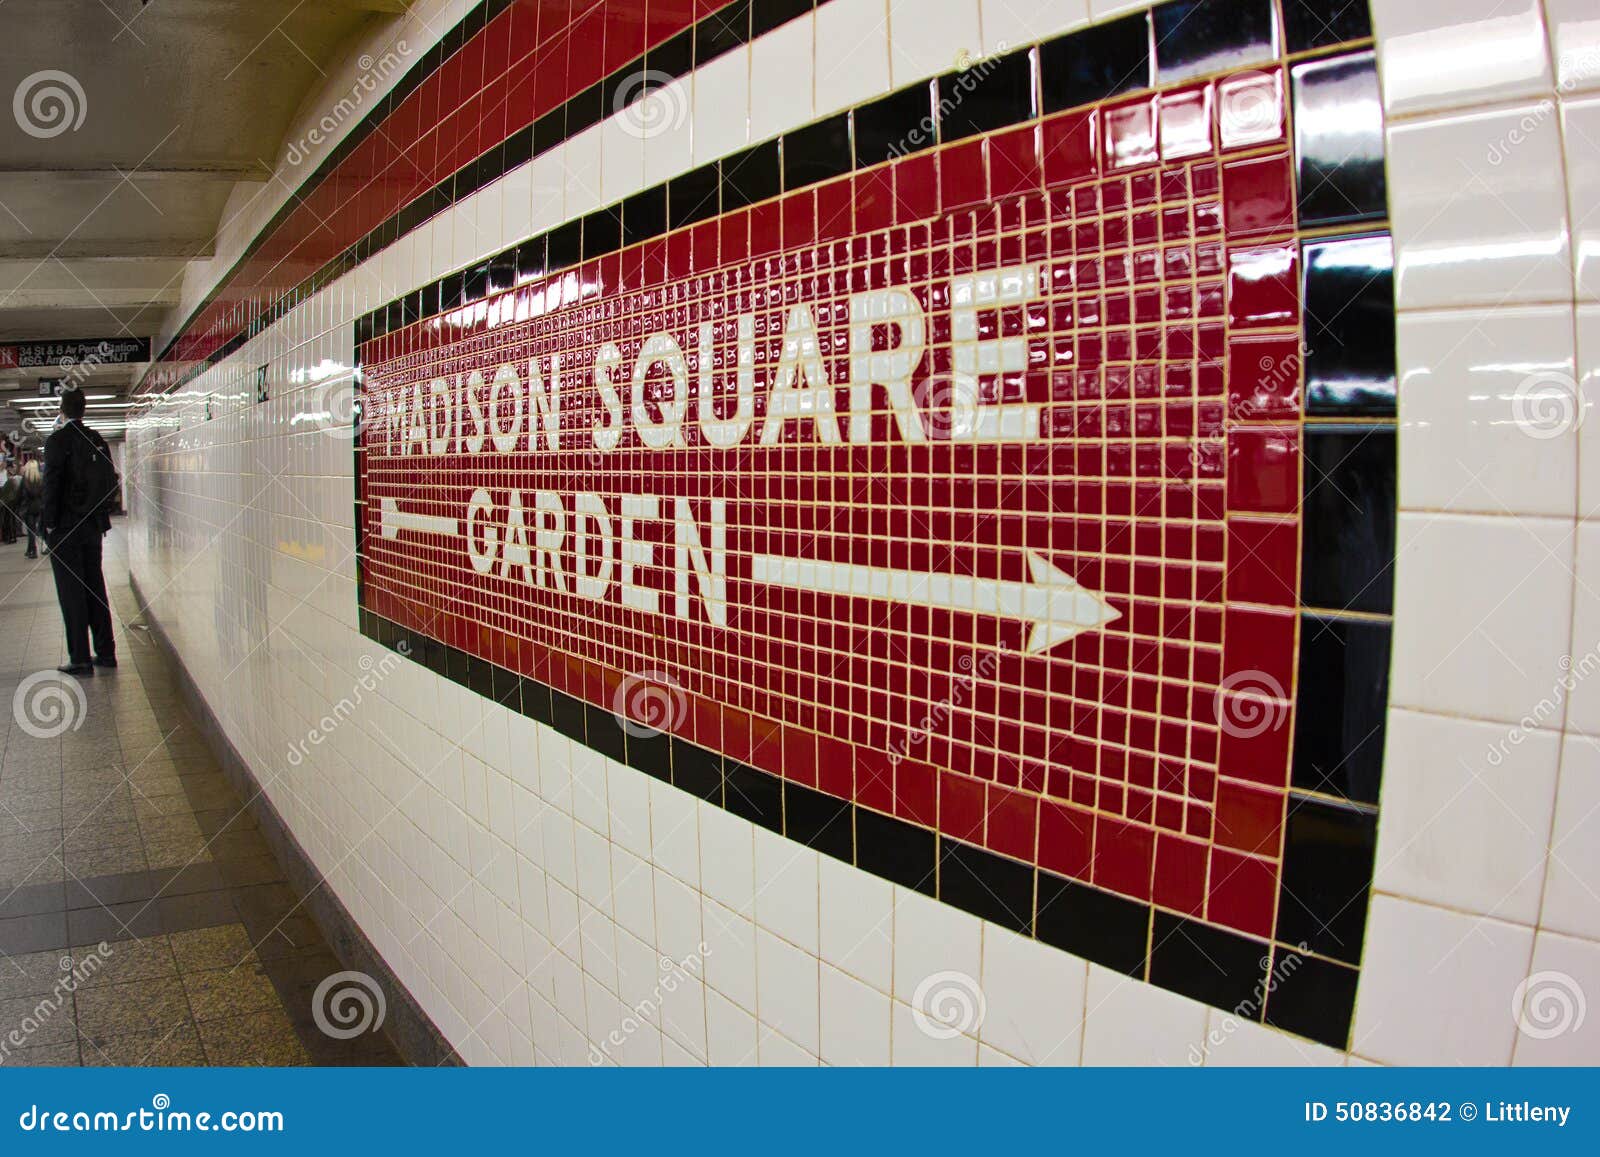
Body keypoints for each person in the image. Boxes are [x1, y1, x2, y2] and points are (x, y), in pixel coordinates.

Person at [42, 389, 117, 676]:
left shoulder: (58, 441)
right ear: (84, 410)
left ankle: (80, 658)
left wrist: (49, 522)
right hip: (93, 526)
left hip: (65, 527)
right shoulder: (97, 440)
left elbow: (51, 484)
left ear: (62, 410)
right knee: (95, 586)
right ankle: (106, 652)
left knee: (71, 592)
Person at [19, 459, 44, 559]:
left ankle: (33, 551)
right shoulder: (41, 478)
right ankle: (32, 549)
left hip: (28, 508)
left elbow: (20, 495)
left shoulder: (24, 480)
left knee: (31, 531)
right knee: (40, 529)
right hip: (40, 507)